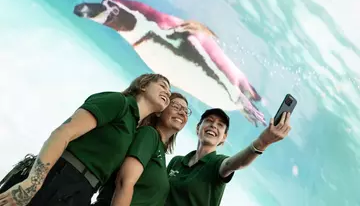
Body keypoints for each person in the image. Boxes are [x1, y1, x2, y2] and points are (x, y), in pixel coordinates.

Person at [0, 73, 171, 206]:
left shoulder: (134, 133)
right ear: (142, 85)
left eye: (170, 93)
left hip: (80, 194)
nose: (167, 93)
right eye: (162, 85)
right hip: (56, 178)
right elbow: (63, 132)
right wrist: (32, 183)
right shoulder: (119, 103)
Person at [165, 108, 291, 206]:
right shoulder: (177, 161)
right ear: (198, 128)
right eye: (209, 120)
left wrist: (263, 142)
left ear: (223, 138)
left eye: (220, 125)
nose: (214, 125)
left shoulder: (217, 163)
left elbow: (235, 164)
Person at [92, 92, 190, 206]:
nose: (182, 112)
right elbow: (124, 181)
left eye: (186, 111)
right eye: (176, 106)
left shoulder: (160, 152)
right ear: (159, 111)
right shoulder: (149, 134)